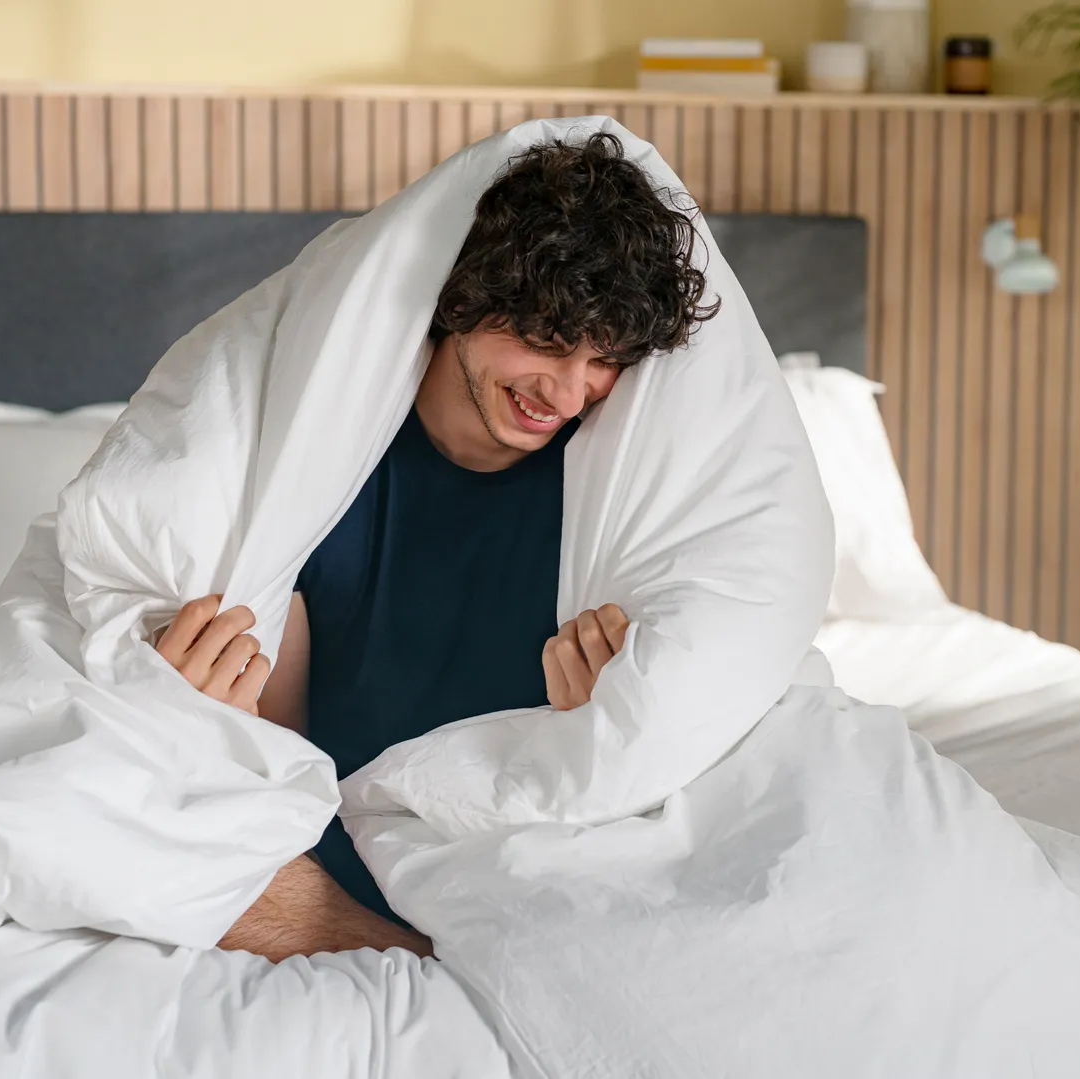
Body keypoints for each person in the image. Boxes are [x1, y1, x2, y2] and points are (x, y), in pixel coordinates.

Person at [152, 132, 718, 961]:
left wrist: (614, 738)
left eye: (604, 360)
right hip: (336, 872)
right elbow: (272, 769)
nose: (568, 393)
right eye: (549, 341)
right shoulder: (316, 471)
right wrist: (195, 722)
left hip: (531, 857)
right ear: (464, 300)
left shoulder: (615, 493)